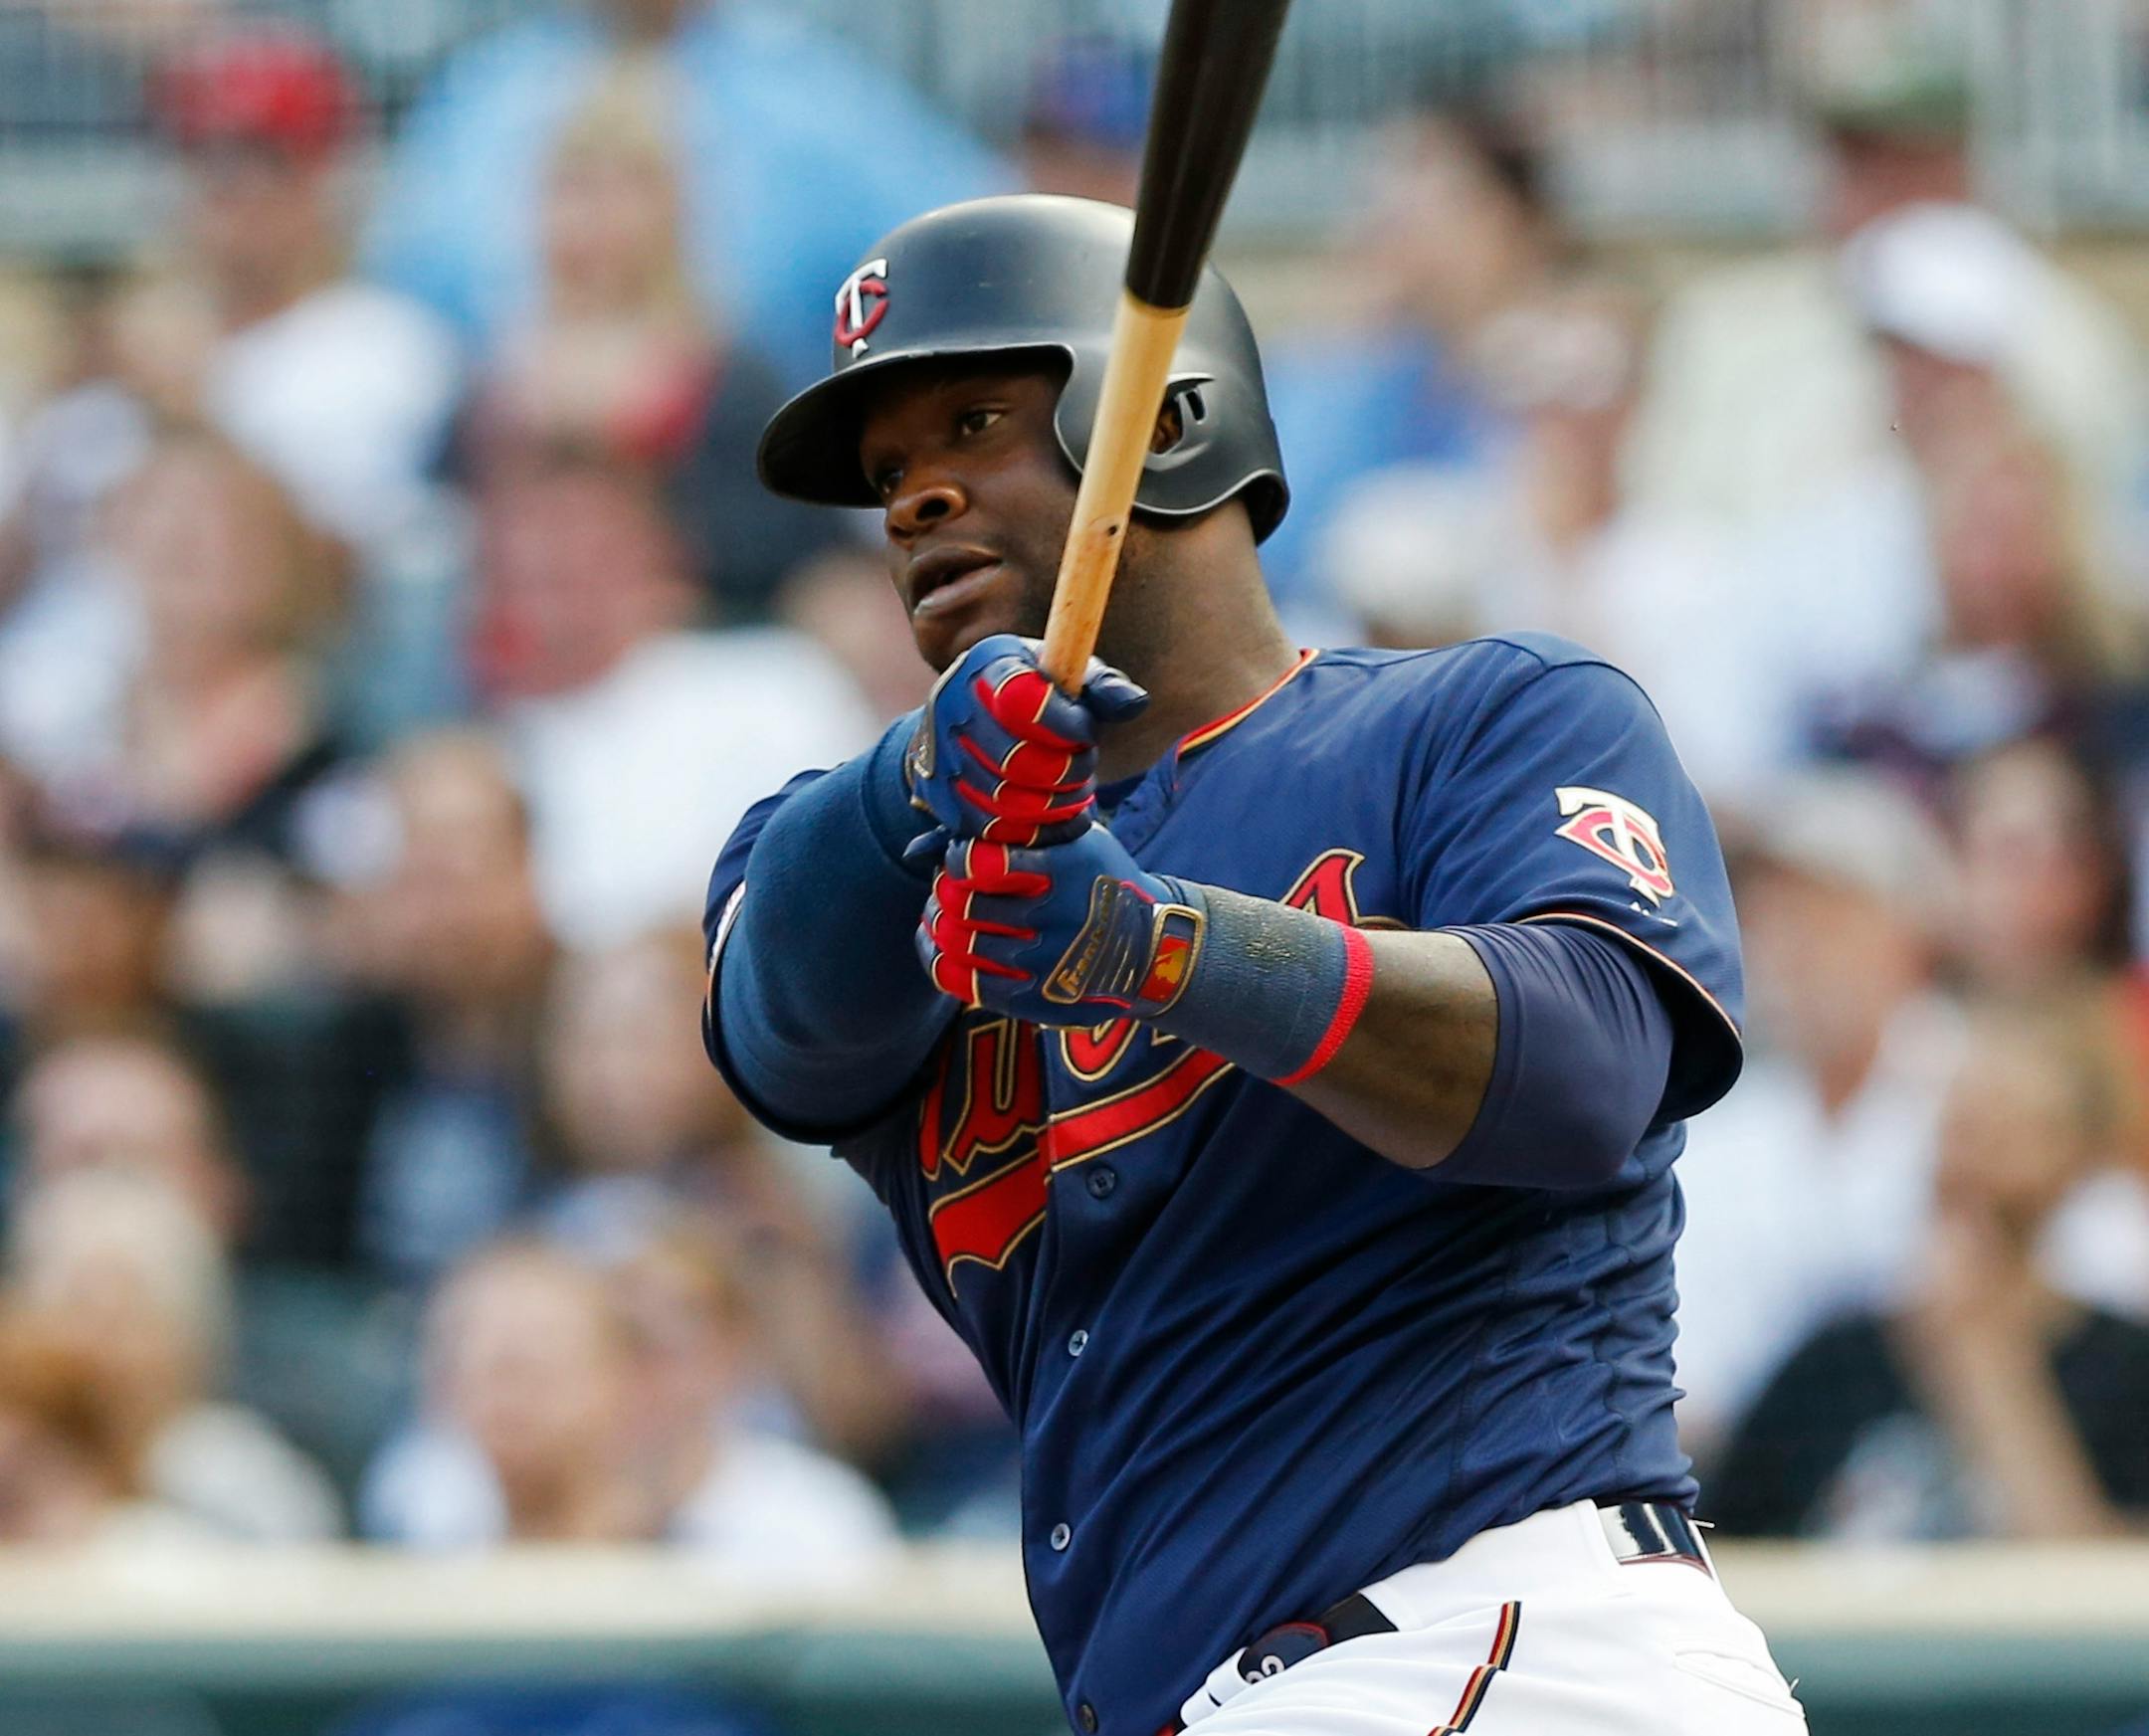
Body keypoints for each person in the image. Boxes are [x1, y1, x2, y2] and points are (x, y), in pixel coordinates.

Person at [704, 196, 1805, 1735]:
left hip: (1497, 1642)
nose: (915, 500)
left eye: (973, 423)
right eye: (889, 475)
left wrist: (1153, 944)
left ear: (1166, 422)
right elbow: (774, 1030)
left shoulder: (1481, 722)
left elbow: (1588, 1069)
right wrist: (911, 783)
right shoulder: (883, 862)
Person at [363, 0, 1009, 384]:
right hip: (526, 496)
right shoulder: (489, 92)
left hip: (762, 480)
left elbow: (978, 245)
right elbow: (402, 302)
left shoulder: (809, 89)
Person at [1709, 1001, 2149, 1540]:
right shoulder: (1835, 1362)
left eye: (2015, 1129)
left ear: (2079, 1159)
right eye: (1964, 1122)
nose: (1975, 1157)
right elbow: (1723, 1553)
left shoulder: (2126, 1369)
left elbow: (2090, 1587)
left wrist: (1981, 1356)